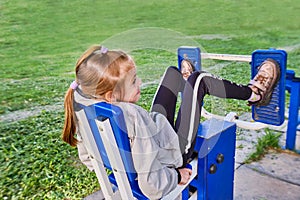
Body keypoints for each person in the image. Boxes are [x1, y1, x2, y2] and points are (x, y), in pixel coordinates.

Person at [62, 45, 280, 199]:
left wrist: (118, 163)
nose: (141, 82)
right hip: (175, 151)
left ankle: (187, 84)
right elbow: (152, 186)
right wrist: (176, 175)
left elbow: (89, 158)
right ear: (111, 96)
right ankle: (255, 95)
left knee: (172, 74)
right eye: (134, 81)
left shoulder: (82, 103)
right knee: (199, 81)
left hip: (156, 134)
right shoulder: (132, 117)